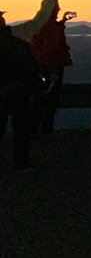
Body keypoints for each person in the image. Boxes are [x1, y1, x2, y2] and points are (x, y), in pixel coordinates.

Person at [0, 9, 44, 173]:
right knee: (20, 129)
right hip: (18, 91)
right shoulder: (17, 42)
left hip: (9, 90)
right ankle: (21, 163)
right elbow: (30, 67)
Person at [28, 2, 74, 135]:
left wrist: (63, 21)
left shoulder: (41, 23)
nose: (59, 10)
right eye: (57, 8)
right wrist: (53, 70)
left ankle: (35, 131)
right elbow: (51, 48)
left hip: (41, 67)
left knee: (40, 99)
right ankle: (44, 131)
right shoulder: (49, 26)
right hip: (51, 67)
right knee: (49, 101)